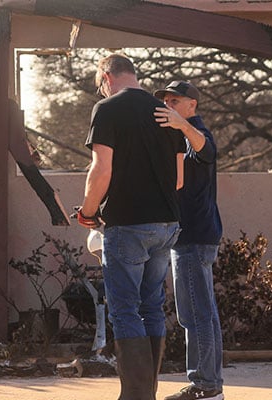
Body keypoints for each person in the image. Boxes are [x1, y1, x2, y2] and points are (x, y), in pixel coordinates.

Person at [76, 53, 186, 400]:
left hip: (126, 224)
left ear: (106, 77)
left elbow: (101, 169)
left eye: (99, 86)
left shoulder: (107, 110)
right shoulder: (166, 113)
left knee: (124, 309)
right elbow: (179, 179)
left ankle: (135, 396)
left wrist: (89, 211)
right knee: (151, 306)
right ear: (133, 74)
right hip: (166, 222)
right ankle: (147, 391)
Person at [153, 81, 224, 400]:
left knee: (194, 313)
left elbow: (208, 150)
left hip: (194, 237)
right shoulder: (180, 135)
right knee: (203, 312)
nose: (167, 105)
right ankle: (210, 385)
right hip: (193, 236)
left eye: (174, 100)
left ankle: (205, 386)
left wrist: (182, 124)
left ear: (191, 105)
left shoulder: (197, 132)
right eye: (165, 101)